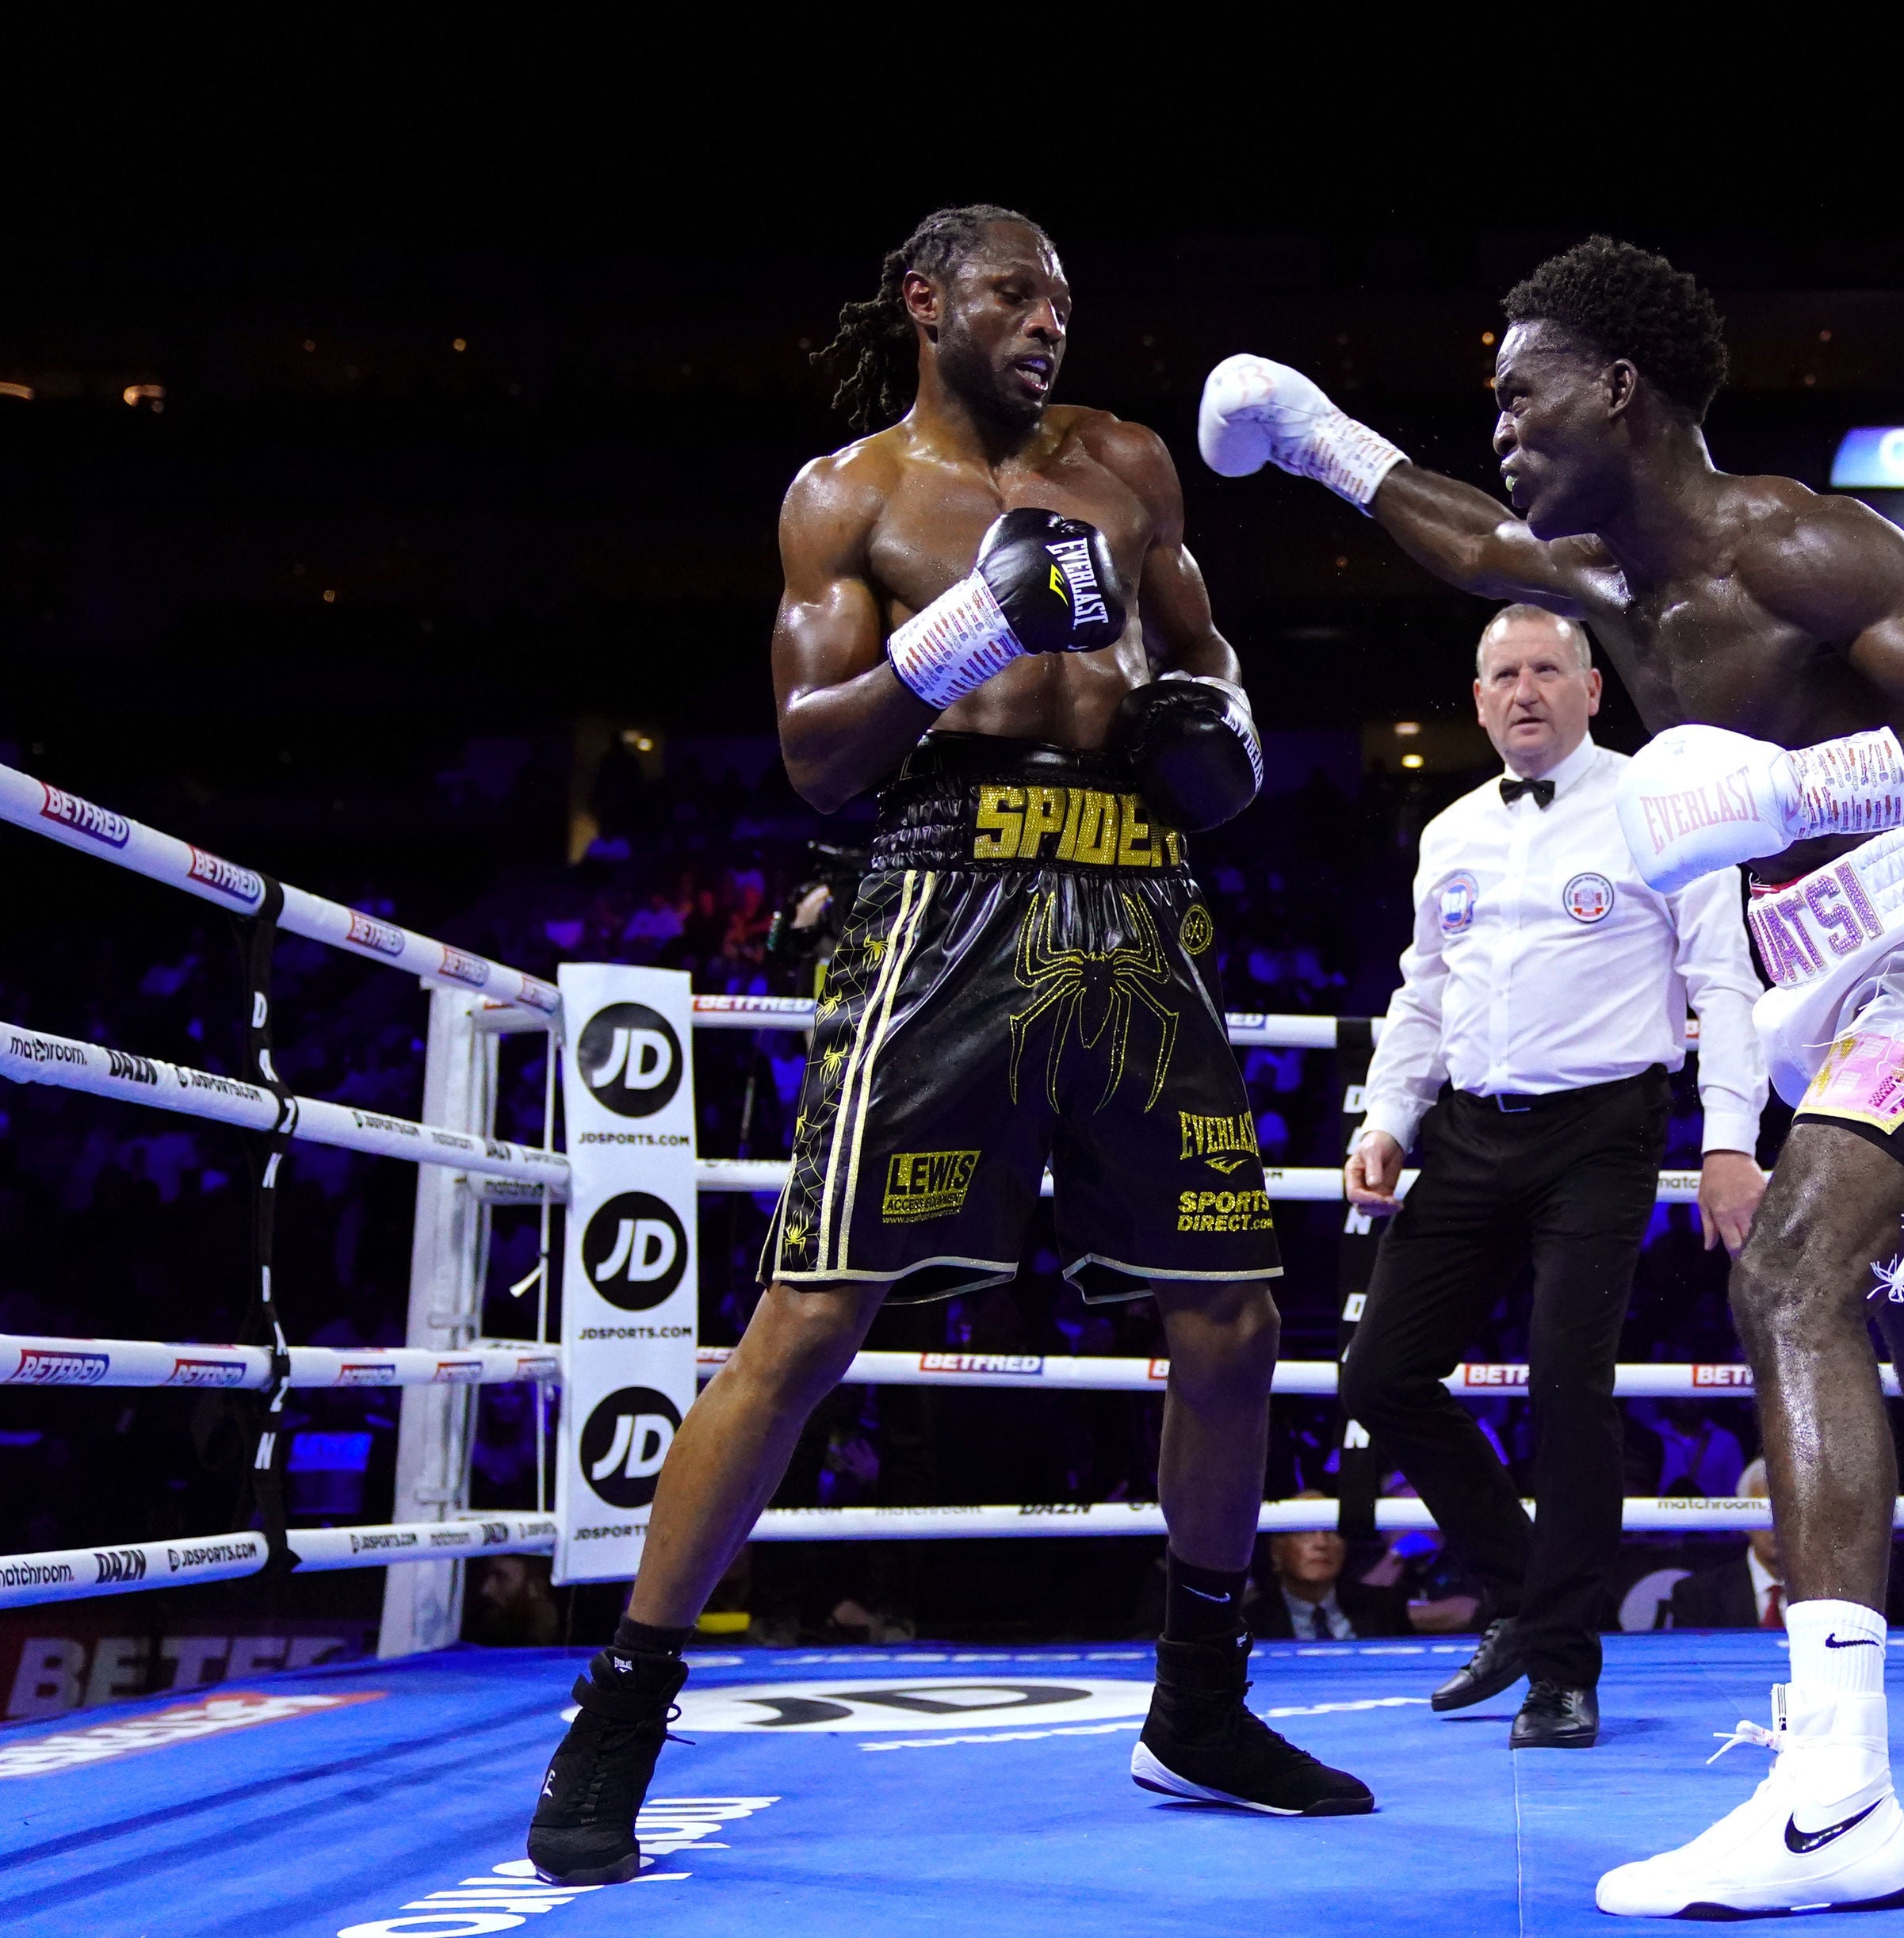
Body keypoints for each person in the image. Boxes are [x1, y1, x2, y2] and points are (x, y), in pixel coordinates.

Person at [1204, 235, 1904, 1919]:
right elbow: (1469, 540)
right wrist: (1315, 437)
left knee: (1795, 1271)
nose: (1503, 423)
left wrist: (1796, 786)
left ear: (1617, 385)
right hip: (1821, 971)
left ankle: (1833, 1797)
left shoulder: (1799, 541)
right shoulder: (1602, 584)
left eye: (1522, 392)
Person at [526, 205, 1371, 1886]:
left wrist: (1217, 729)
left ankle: (1200, 1698)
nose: (1047, 320)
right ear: (929, 302)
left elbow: (1207, 664)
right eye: (1012, 293)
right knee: (811, 1313)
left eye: (1063, 295)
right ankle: (619, 1707)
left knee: (1233, 1314)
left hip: (1132, 896)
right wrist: (967, 629)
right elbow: (817, 758)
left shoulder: (1127, 461)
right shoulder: (846, 496)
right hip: (939, 893)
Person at [1336, 602, 1770, 1753]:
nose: (1524, 691)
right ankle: (1533, 1601)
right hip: (1469, 1134)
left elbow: (1724, 983)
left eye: (1546, 670)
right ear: (1478, 701)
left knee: (1565, 1385)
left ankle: (1561, 1674)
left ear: (1589, 689)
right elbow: (1423, 990)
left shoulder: (1656, 812)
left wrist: (1730, 1137)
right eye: (1503, 675)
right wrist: (1389, 1117)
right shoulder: (1450, 831)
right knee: (1380, 1374)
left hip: (1602, 1135)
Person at [1247, 1493, 1413, 1641]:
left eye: (1331, 1531)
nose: (1322, 1543)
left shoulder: (1382, 1608)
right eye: (1307, 1531)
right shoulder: (1250, 1623)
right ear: (1277, 1550)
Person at [1662, 1458, 1785, 1628]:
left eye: (1786, 1512)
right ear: (1743, 1519)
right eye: (1763, 1512)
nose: (1774, 1524)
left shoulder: (1831, 1591)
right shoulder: (1698, 1596)